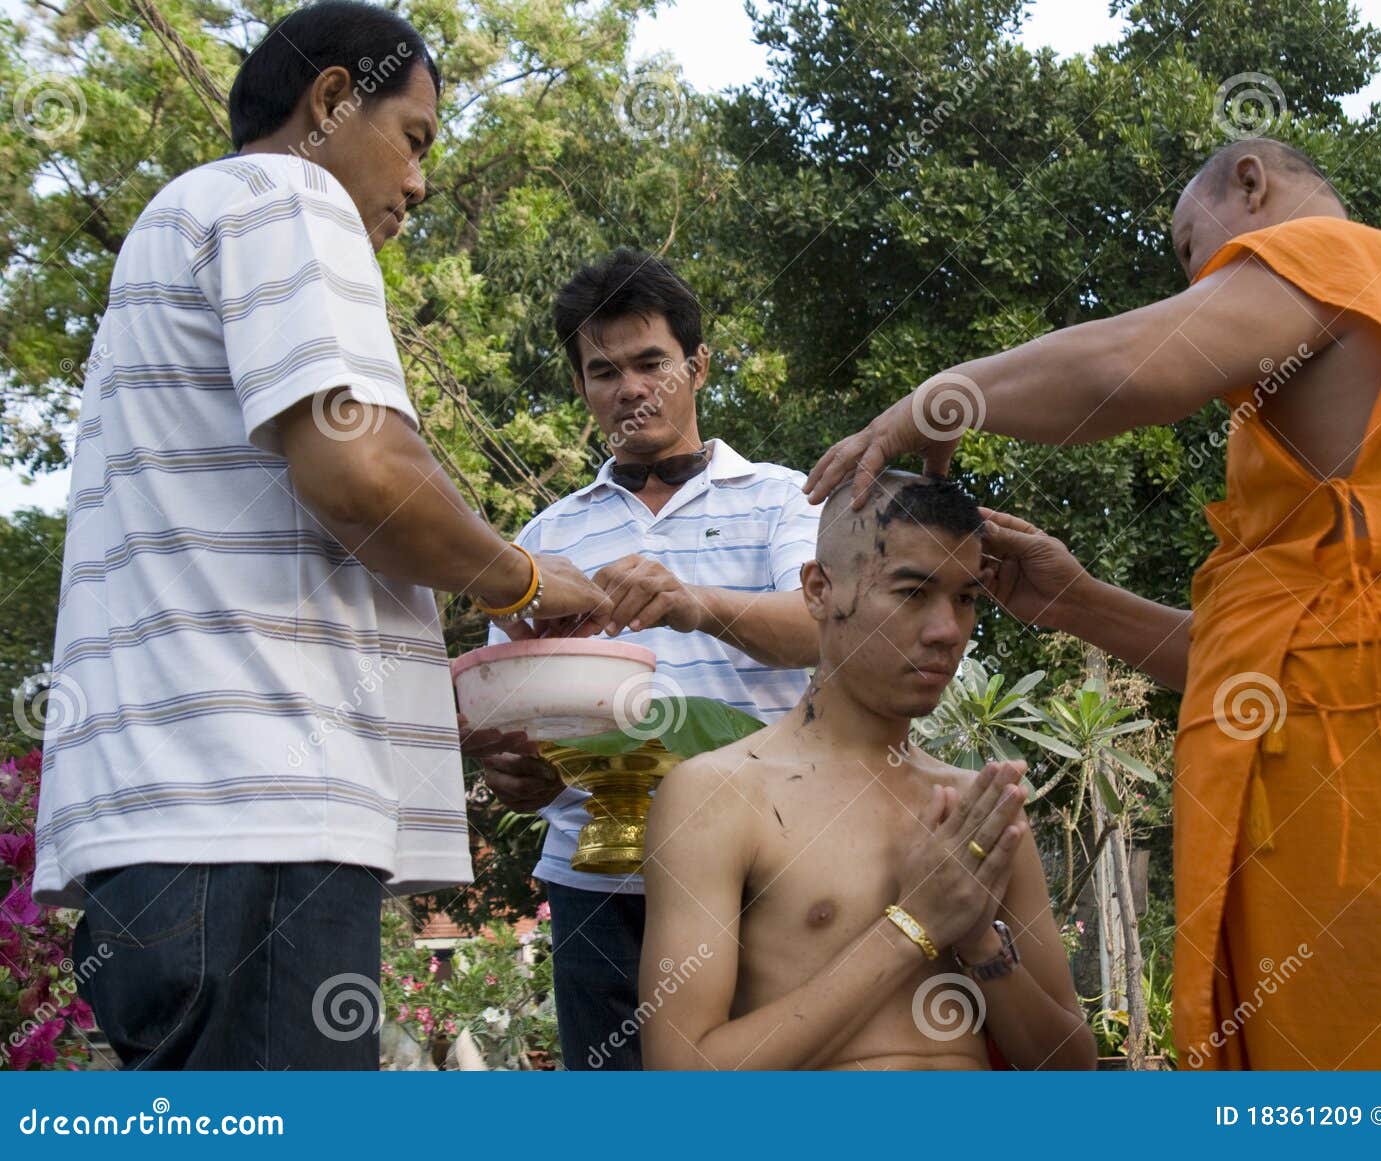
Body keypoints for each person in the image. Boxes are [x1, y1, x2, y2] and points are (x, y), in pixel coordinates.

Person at [804, 139, 1381, 1069]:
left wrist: (936, 401)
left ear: (1252, 183)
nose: (1204, 282)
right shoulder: (1349, 481)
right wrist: (1080, 602)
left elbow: (1135, 364)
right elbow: (1273, 661)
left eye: (1194, 252)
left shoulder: (1349, 257)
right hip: (1348, 919)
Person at [33, 0, 608, 1070]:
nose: (420, 185)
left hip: (185, 835)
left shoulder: (188, 222)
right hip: (248, 831)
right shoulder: (284, 194)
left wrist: (455, 720)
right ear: (332, 98)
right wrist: (525, 581)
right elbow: (360, 474)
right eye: (416, 139)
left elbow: (257, 585)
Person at [462, 248, 822, 1070]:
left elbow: (821, 625)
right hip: (594, 885)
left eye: (651, 361)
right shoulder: (542, 540)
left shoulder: (783, 498)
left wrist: (694, 601)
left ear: (697, 365)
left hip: (762, 865)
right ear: (583, 389)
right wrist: (527, 771)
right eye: (603, 370)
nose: (630, 387)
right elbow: (506, 705)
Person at [639, 472, 1095, 1070]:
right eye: (912, 592)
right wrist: (915, 927)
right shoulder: (721, 794)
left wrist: (981, 944)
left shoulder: (973, 809)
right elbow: (681, 1077)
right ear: (819, 590)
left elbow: (1070, 1067)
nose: (947, 632)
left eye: (965, 598)